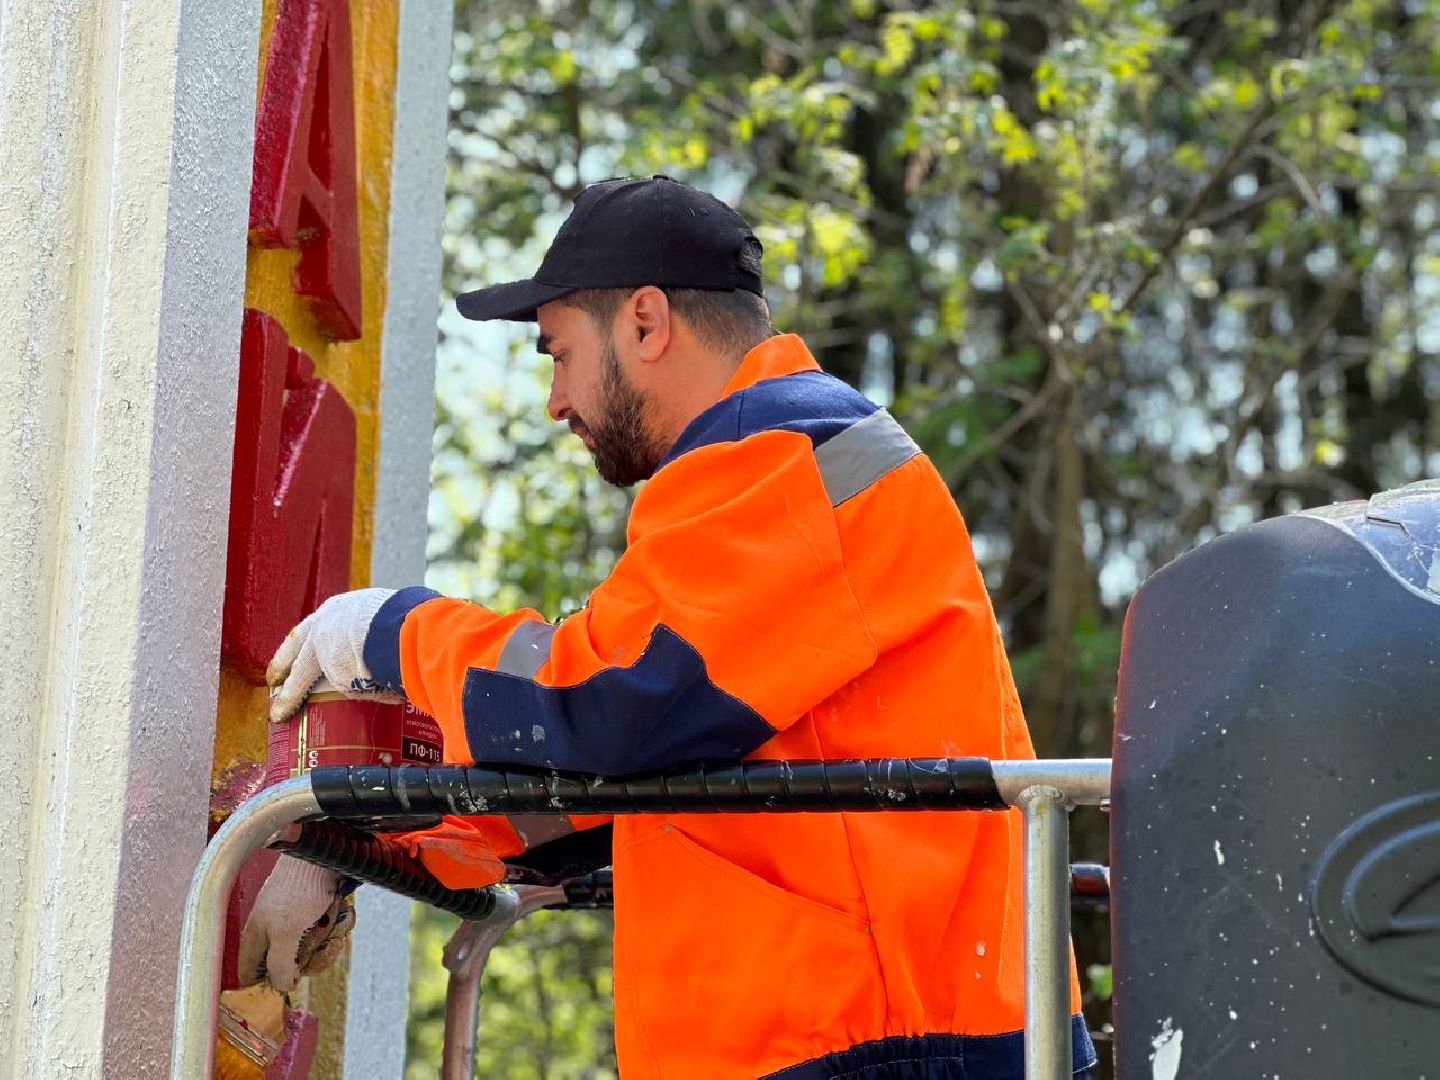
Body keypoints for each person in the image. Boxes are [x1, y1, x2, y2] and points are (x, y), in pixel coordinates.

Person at [251, 175, 1097, 1078]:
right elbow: (623, 782)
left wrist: (391, 632)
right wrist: (357, 839)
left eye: (559, 354)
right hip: (894, 1033)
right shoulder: (776, 467)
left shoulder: (781, 454)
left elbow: (600, 703)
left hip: (884, 1044)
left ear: (646, 323)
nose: (555, 401)